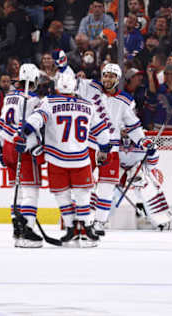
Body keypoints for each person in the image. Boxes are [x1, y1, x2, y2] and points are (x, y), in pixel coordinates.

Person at [14, 71, 111, 247]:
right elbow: (101, 130)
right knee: (83, 196)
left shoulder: (49, 102)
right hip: (81, 159)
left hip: (56, 159)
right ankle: (87, 229)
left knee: (62, 195)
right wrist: (105, 146)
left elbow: (36, 120)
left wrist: (25, 132)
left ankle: (70, 229)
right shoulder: (88, 105)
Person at [77, 63, 152, 237]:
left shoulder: (126, 101)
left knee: (107, 187)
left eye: (112, 76)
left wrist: (142, 141)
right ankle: (81, 221)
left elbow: (133, 126)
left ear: (117, 79)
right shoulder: (90, 87)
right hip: (89, 144)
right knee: (83, 185)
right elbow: (69, 81)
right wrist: (64, 66)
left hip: (112, 147)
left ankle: (99, 223)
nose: (107, 79)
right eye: (105, 75)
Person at [0, 63, 42, 248]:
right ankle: (27, 230)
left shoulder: (9, 97)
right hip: (23, 148)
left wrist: (1, 147)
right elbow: (32, 129)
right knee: (30, 191)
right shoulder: (33, 100)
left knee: (17, 190)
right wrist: (32, 145)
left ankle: (17, 226)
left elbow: (0, 124)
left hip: (7, 146)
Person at [113, 129, 172, 229]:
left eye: (129, 131)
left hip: (138, 167)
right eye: (123, 131)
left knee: (144, 185)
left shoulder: (144, 141)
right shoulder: (112, 139)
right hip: (118, 167)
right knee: (108, 188)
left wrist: (152, 153)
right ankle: (99, 220)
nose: (126, 134)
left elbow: (152, 165)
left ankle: (161, 219)